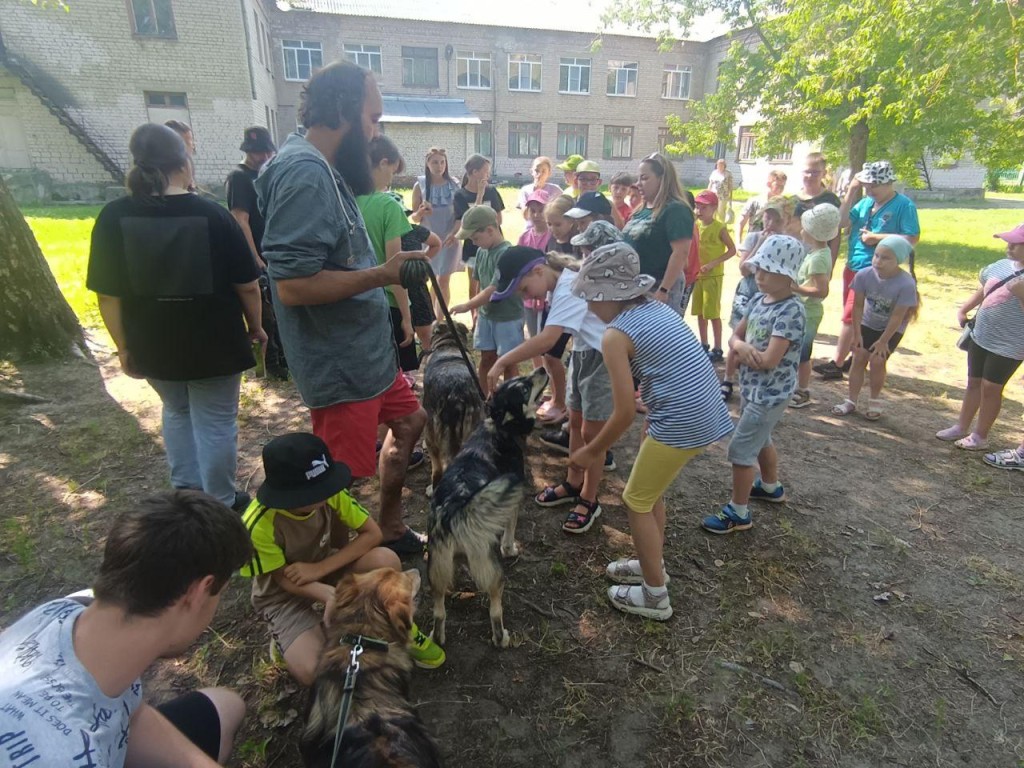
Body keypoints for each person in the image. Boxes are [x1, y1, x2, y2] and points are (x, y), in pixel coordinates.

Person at [255, 60, 428, 556]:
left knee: (412, 423)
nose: (377, 133)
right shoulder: (303, 173)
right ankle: (338, 567)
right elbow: (292, 285)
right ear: (342, 112)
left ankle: (390, 528)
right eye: (372, 118)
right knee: (339, 478)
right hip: (341, 367)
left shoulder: (325, 170)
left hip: (368, 357)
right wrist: (384, 275)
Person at [0, 490, 252, 766]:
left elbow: (130, 715)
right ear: (200, 592)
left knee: (224, 707)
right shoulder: (63, 756)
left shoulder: (75, 611)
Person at [88, 123, 264, 512]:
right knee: (216, 421)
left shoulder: (114, 216)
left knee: (177, 411)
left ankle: (186, 492)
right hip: (214, 343)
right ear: (184, 162)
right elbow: (248, 285)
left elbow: (108, 294)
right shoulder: (213, 215)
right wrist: (256, 327)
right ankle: (218, 500)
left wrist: (123, 347)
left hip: (153, 343)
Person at [566, 243, 733, 619]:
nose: (589, 306)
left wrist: (592, 451)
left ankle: (656, 596)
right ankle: (650, 561)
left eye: (592, 297)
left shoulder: (614, 336)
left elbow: (623, 412)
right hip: (701, 410)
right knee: (649, 492)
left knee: (635, 500)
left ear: (611, 296)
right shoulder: (657, 308)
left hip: (682, 418)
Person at [240, 433, 444, 686]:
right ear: (292, 495)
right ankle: (291, 640)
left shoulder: (328, 492)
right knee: (317, 673)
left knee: (385, 560)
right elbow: (284, 580)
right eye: (318, 489)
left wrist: (320, 569)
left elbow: (372, 534)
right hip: (282, 596)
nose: (329, 491)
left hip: (323, 566)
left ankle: (394, 627)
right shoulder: (258, 524)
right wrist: (329, 595)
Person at [489, 237, 617, 535]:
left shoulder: (571, 285)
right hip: (585, 353)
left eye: (522, 289)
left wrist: (500, 362)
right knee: (574, 421)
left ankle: (589, 497)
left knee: (592, 433)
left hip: (605, 358)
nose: (524, 298)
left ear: (538, 271)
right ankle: (574, 482)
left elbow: (547, 340)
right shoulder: (558, 285)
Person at [703, 235, 806, 534]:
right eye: (757, 268)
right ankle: (771, 487)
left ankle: (739, 512)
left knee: (741, 449)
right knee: (761, 438)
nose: (758, 275)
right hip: (753, 388)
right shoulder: (760, 299)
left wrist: (744, 351)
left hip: (771, 394)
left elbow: (770, 360)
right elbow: (735, 335)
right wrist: (739, 345)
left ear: (787, 276)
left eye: (766, 271)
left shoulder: (791, 311)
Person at [816, 160, 920, 381]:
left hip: (876, 270)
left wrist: (877, 238)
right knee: (853, 314)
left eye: (874, 185)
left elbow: (912, 238)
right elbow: (841, 223)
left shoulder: (903, 205)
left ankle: (837, 362)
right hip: (854, 264)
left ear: (888, 183)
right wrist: (851, 192)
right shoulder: (864, 203)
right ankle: (855, 358)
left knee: (851, 315)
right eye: (866, 185)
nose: (869, 190)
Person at [936, 224, 1024, 450]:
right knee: (974, 382)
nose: (1010, 246)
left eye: (1017, 244)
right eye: (1009, 241)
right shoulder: (1001, 266)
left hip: (1010, 345)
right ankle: (961, 426)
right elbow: (985, 288)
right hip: (981, 334)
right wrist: (963, 309)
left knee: (991, 388)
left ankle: (980, 436)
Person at [830, 236, 919, 421]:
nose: (878, 261)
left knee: (877, 361)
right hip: (868, 322)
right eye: (876, 255)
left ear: (899, 260)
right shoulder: (864, 274)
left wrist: (883, 341)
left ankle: (875, 401)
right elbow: (857, 306)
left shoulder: (906, 283)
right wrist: (856, 333)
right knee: (858, 358)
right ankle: (851, 401)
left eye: (886, 258)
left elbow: (897, 316)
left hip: (891, 329)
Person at [226, 126, 288, 380]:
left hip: (275, 251)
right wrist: (255, 257)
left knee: (281, 307)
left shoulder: (268, 174)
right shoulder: (239, 177)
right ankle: (270, 363)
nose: (261, 157)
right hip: (257, 256)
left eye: (265, 151)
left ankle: (283, 357)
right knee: (265, 314)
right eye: (256, 152)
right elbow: (240, 219)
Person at [357, 135, 419, 375]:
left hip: (356, 301)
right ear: (383, 163)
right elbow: (395, 269)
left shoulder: (345, 200)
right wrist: (406, 317)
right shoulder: (388, 206)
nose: (391, 179)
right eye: (392, 171)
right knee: (396, 383)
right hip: (387, 305)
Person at [720, 199, 793, 402]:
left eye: (775, 219)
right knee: (738, 334)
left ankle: (755, 382)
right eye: (767, 217)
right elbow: (744, 269)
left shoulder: (786, 244)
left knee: (763, 338)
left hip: (773, 298)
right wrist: (760, 244)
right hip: (749, 294)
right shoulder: (753, 237)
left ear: (784, 221)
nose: (770, 222)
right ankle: (728, 379)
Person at [449, 205, 522, 391]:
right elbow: (479, 283)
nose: (473, 242)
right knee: (486, 358)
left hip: (508, 317)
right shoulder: (481, 252)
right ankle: (483, 398)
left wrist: (467, 305)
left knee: (508, 361)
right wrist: (476, 310)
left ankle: (510, 399)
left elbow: (492, 289)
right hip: (486, 315)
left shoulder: (507, 254)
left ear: (490, 230)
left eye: (475, 238)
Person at [622, 152, 694, 315]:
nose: (638, 183)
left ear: (662, 179)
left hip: (658, 287)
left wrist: (663, 290)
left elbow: (681, 253)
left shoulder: (675, 209)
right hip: (635, 286)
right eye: (638, 178)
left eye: (644, 178)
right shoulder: (641, 210)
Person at [789, 203, 839, 408]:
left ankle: (802, 390)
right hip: (802, 310)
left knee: (802, 353)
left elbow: (821, 291)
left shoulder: (818, 258)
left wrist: (794, 288)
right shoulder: (815, 253)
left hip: (809, 312)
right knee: (796, 350)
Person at [411, 147, 462, 316]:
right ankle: (433, 317)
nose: (439, 166)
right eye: (435, 162)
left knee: (443, 280)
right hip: (428, 241)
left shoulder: (454, 184)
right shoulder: (420, 185)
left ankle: (440, 322)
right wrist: (420, 212)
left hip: (449, 239)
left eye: (442, 162)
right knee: (431, 278)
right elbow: (414, 219)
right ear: (427, 163)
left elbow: (460, 215)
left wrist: (454, 233)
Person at [454, 153, 504, 305]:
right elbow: (468, 221)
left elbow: (499, 219)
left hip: (495, 245)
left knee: (494, 282)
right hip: (473, 246)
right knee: (474, 284)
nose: (487, 175)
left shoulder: (492, 191)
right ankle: (475, 317)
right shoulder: (460, 195)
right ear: (475, 172)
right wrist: (480, 195)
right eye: (485, 171)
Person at [692, 190, 736, 361]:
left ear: (714, 208)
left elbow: (732, 250)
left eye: (704, 208)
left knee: (713, 313)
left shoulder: (719, 228)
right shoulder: (695, 226)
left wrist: (713, 264)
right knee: (700, 312)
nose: (699, 211)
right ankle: (703, 344)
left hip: (713, 277)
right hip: (697, 276)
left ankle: (718, 348)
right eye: (697, 207)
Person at [519, 191, 554, 371]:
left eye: (541, 210)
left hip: (547, 298)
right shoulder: (525, 237)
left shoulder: (552, 237)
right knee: (533, 337)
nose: (536, 215)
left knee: (546, 343)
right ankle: (538, 373)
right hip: (529, 298)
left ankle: (549, 375)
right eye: (533, 210)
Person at [794, 152, 842, 262]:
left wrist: (831, 262)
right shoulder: (793, 201)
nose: (810, 176)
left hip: (819, 258)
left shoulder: (831, 200)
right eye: (807, 172)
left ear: (824, 173)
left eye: (815, 173)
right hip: (795, 256)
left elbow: (836, 235)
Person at [737, 170, 786, 242]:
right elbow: (741, 222)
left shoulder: (784, 204)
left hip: (774, 243)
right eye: (778, 186)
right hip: (753, 240)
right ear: (769, 184)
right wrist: (738, 242)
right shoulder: (755, 201)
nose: (780, 189)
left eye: (782, 186)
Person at [707, 158, 735, 224]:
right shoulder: (714, 173)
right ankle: (712, 224)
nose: (719, 166)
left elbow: (730, 185)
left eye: (721, 165)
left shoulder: (728, 173)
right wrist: (708, 192)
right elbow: (710, 183)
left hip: (723, 195)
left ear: (724, 166)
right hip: (713, 194)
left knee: (721, 211)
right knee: (713, 210)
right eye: (718, 165)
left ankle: (722, 224)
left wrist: (731, 195)